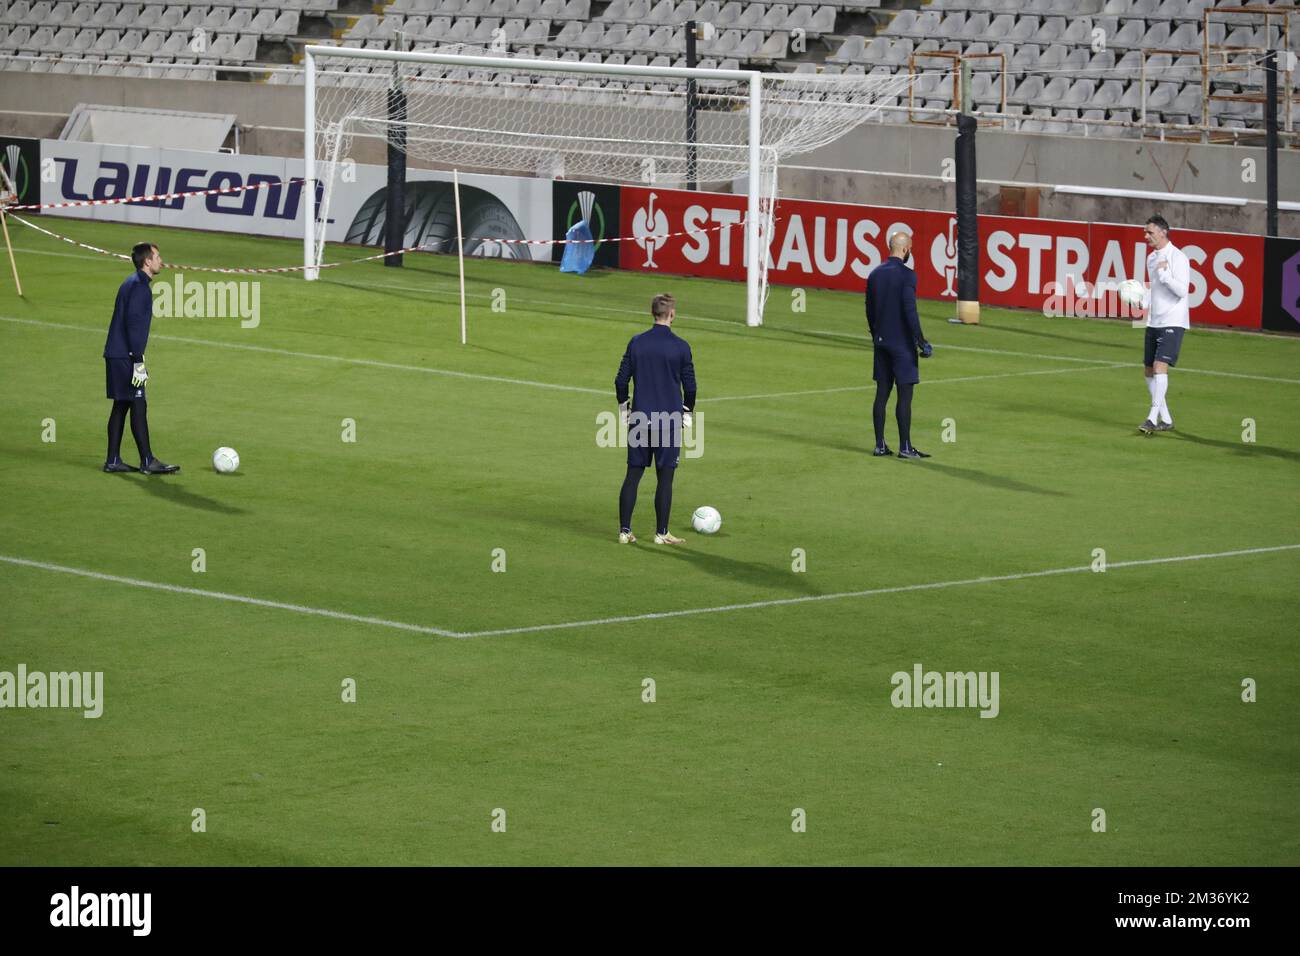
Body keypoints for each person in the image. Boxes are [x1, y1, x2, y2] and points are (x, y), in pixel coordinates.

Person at [614, 293, 696, 544]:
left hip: (640, 418)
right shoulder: (681, 347)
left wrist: (624, 409)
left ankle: (625, 532)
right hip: (668, 421)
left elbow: (620, 381)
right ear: (672, 314)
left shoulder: (636, 342)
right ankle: (661, 533)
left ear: (652, 313)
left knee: (633, 474)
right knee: (666, 477)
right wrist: (687, 412)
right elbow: (690, 387)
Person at [103, 242, 179, 474]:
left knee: (122, 405)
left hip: (118, 354)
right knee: (138, 404)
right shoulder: (139, 288)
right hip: (126, 357)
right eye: (157, 256)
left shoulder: (132, 282)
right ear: (147, 261)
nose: (160, 260)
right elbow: (133, 326)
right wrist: (138, 362)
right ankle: (147, 461)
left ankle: (113, 460)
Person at [865, 231, 932, 458]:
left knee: (882, 393)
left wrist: (876, 335)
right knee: (904, 395)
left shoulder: (875, 274)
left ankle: (880, 445)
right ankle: (905, 446)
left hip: (881, 342)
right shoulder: (908, 276)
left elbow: (869, 309)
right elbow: (909, 311)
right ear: (905, 249)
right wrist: (921, 341)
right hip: (902, 345)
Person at [1138, 214, 1189, 434]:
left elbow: (1182, 291)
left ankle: (1151, 418)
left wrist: (1165, 274)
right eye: (1145, 232)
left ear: (1163, 231)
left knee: (1160, 368)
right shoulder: (1151, 258)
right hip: (1154, 320)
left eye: (1149, 232)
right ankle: (1166, 419)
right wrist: (1141, 300)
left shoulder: (1178, 258)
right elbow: (1154, 289)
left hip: (1173, 321)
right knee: (1149, 371)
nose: (1146, 236)